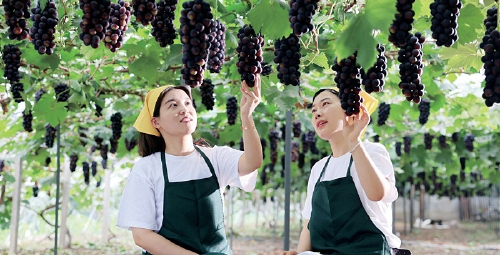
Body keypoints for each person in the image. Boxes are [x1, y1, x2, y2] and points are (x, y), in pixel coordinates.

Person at [117, 75, 263, 255]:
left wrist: (247, 116)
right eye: (173, 105)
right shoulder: (146, 169)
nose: (184, 109)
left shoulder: (214, 157)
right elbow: (142, 236)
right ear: (156, 122)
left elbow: (253, 162)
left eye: (188, 103)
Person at [282, 88, 403, 255]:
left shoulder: (372, 151)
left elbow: (377, 193)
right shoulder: (319, 168)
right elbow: (309, 225)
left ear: (350, 110)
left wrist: (354, 141)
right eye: (314, 110)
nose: (317, 113)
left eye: (325, 104)